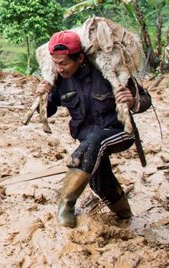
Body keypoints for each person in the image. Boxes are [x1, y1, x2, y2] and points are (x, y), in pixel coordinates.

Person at [36, 30, 151, 228]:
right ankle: (126, 216)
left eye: (64, 63)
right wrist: (42, 96)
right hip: (89, 143)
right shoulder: (60, 80)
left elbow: (146, 100)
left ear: (80, 58)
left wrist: (132, 102)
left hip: (119, 132)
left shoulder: (110, 72)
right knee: (100, 181)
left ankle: (66, 204)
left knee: (95, 141)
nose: (60, 68)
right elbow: (48, 110)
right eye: (56, 63)